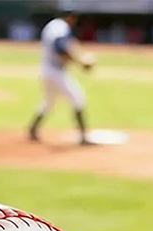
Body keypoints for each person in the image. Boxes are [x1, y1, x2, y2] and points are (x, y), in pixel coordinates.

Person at [28, 8, 95, 145]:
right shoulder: (61, 27)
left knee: (49, 102)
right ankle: (83, 137)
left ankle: (33, 129)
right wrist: (81, 63)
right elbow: (61, 47)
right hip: (56, 72)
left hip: (46, 70)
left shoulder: (52, 26)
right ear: (69, 17)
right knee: (78, 98)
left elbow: (66, 46)